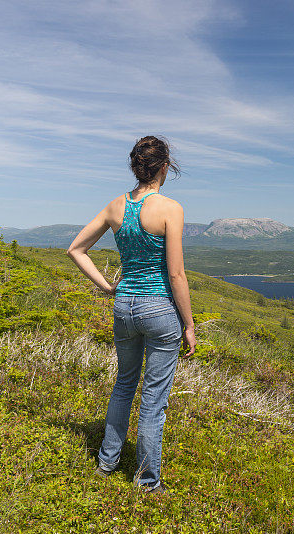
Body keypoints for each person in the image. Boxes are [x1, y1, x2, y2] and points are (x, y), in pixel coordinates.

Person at [66, 135, 196, 494]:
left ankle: (107, 462)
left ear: (136, 167)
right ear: (165, 167)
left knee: (124, 385)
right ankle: (147, 481)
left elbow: (76, 249)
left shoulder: (114, 207)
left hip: (125, 305)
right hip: (159, 309)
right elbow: (176, 274)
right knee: (154, 399)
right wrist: (189, 324)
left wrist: (108, 287)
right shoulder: (171, 209)